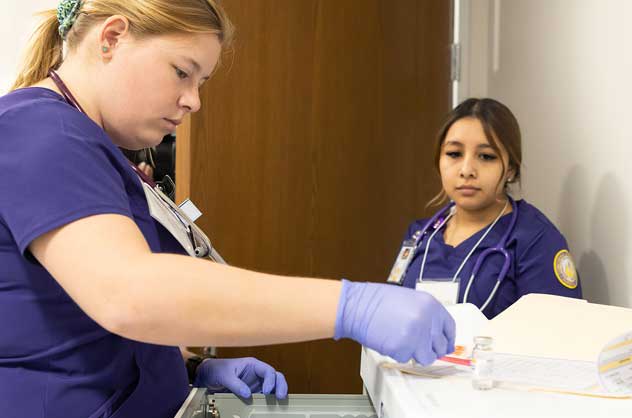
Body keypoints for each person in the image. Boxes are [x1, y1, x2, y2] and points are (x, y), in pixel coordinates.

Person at [0, 1, 455, 417]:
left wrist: (190, 368)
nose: (194, 100)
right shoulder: (43, 133)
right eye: (182, 72)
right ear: (112, 37)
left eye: (202, 82)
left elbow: (64, 322)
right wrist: (353, 307)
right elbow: (127, 292)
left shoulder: (93, 145)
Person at [386, 98, 582, 319]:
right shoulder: (421, 235)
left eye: (486, 156)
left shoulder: (535, 241)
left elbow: (556, 336)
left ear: (510, 169)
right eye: (454, 154)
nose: (467, 170)